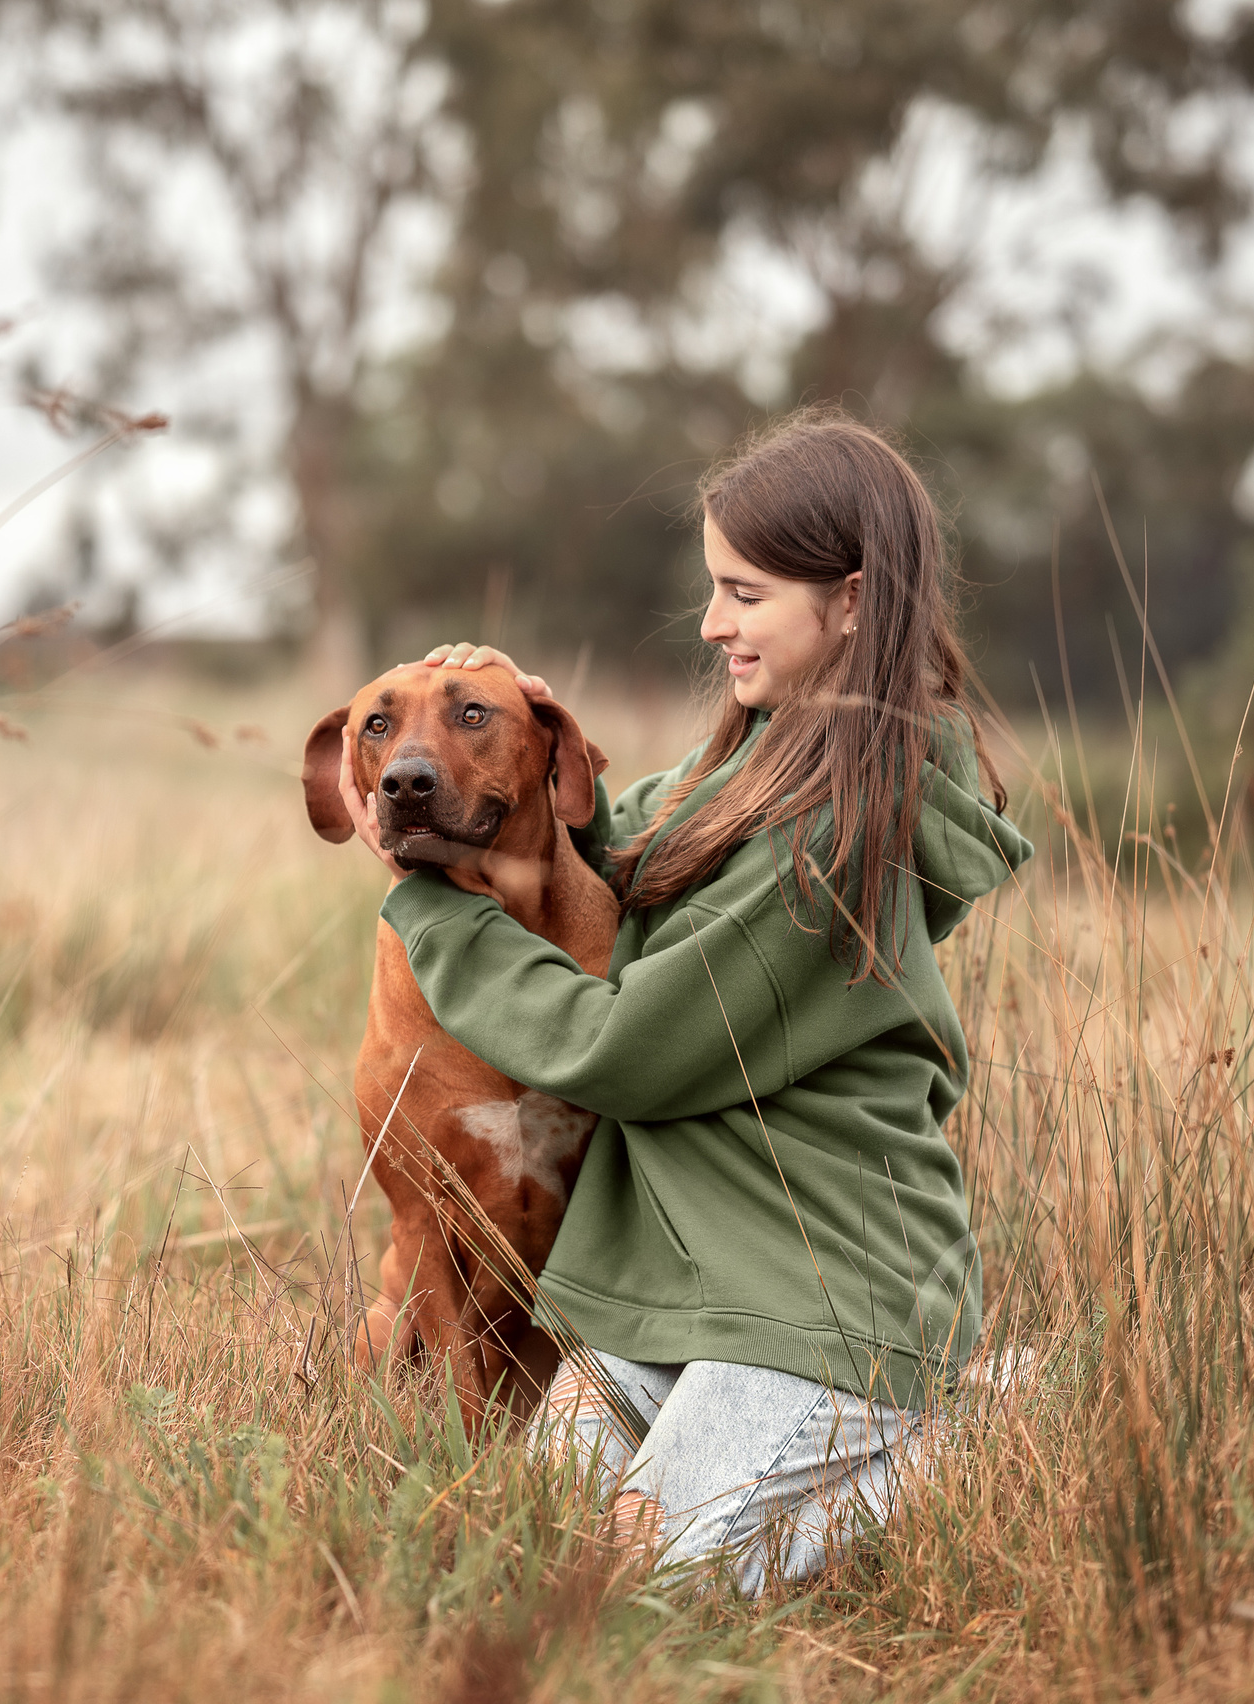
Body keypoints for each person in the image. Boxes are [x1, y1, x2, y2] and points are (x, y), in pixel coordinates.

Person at [334, 406, 1032, 1595]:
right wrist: (527, 761)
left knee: (628, 1584)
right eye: (714, 587)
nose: (712, 622)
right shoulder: (760, 762)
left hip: (820, 1301)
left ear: (853, 602)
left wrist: (433, 907)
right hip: (685, 1291)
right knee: (522, 1541)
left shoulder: (832, 846)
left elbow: (616, 1051)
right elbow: (642, 841)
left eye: (745, 594)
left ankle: (972, 1436)